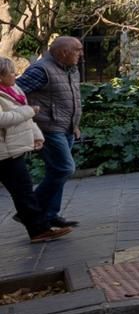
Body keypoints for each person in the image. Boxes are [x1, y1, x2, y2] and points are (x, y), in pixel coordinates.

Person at [20, 35, 83, 229]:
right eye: (77, 50)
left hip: (67, 127)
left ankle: (49, 214)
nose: (81, 54)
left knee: (56, 171)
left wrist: (75, 125)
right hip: (48, 127)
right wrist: (30, 116)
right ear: (64, 52)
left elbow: (73, 98)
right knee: (64, 168)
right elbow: (16, 93)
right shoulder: (41, 70)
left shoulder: (71, 69)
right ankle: (28, 212)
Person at [0, 59, 66, 242]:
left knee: (23, 190)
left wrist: (37, 135)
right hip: (4, 152)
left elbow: (24, 116)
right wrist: (29, 111)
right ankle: (39, 229)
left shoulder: (13, 90)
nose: (15, 75)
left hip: (12, 149)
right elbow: (3, 118)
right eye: (11, 72)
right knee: (23, 191)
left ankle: (39, 229)